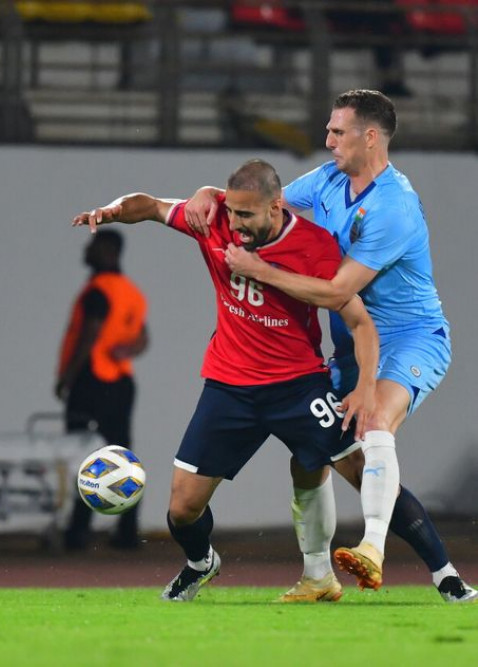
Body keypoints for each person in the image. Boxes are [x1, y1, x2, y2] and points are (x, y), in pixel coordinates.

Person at [183, 89, 476, 603]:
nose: (327, 140)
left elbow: (340, 291)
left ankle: (377, 549)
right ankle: (320, 576)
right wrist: (212, 193)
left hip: (408, 337)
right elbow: (263, 203)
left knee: (374, 422)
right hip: (349, 344)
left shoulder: (394, 207)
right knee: (309, 456)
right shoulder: (327, 179)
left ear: (369, 136)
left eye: (337, 132)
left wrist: (259, 270)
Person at [73, 159, 381, 602]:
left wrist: (365, 385)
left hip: (297, 383)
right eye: (231, 211)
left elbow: (356, 317)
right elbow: (152, 206)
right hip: (230, 387)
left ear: (273, 207)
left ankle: (440, 571)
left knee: (364, 467)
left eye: (244, 213)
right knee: (181, 509)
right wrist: (111, 209)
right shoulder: (213, 219)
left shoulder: (312, 245)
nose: (235, 222)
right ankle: (201, 562)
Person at [56, 230, 149, 550]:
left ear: (108, 250)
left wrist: (67, 377)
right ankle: (127, 531)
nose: (86, 250)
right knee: (122, 457)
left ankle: (77, 531)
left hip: (92, 381)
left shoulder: (97, 291)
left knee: (84, 454)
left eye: (93, 245)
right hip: (122, 383)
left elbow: (89, 334)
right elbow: (142, 336)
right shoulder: (132, 293)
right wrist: (128, 350)